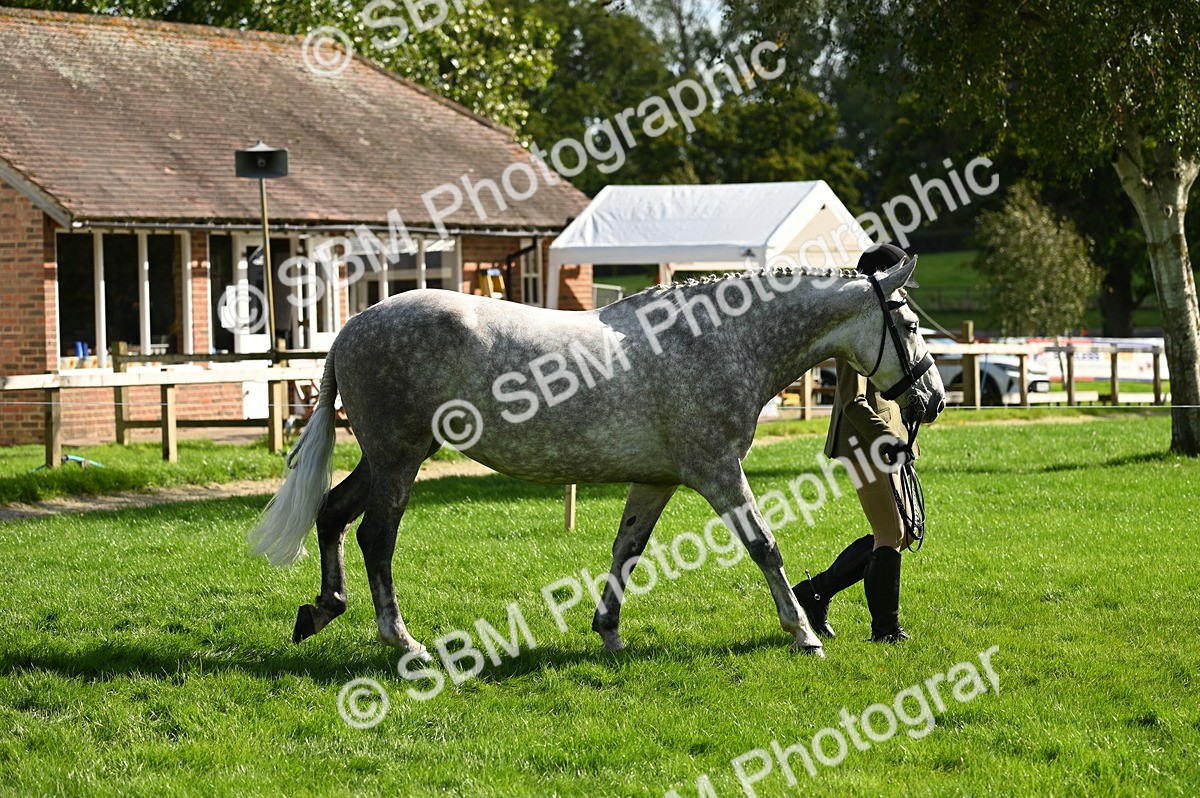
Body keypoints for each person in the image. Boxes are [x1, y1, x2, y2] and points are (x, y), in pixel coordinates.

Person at [792, 243, 918, 643]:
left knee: (903, 533)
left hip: (888, 442)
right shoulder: (856, 329)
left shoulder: (885, 323)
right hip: (863, 443)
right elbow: (853, 402)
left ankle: (813, 594)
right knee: (889, 532)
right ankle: (886, 630)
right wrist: (886, 440)